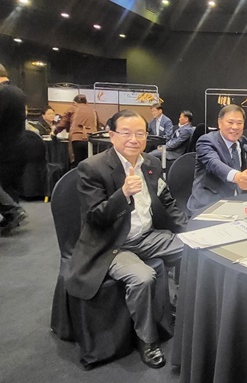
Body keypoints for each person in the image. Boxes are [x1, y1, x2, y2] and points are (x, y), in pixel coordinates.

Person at [65, 109, 187, 369]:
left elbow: (166, 200)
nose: (134, 139)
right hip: (113, 244)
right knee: (143, 277)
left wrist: (187, 230)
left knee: (195, 250)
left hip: (146, 236)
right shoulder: (92, 167)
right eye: (126, 133)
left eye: (140, 133)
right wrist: (123, 194)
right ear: (111, 136)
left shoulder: (151, 163)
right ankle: (147, 340)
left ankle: (180, 307)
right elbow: (95, 217)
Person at [187, 105, 247, 216]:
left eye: (239, 123)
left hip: (234, 204)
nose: (235, 127)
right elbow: (214, 164)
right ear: (219, 122)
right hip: (207, 206)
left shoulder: (239, 143)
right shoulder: (206, 141)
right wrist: (236, 176)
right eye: (230, 122)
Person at [0, 63, 28, 236]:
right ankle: (11, 220)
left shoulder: (2, 93)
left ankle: (13, 211)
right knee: (9, 184)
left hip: (4, 146)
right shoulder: (18, 92)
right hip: (20, 144)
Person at [54, 94, 100, 167]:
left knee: (77, 164)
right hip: (91, 139)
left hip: (76, 139)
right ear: (86, 103)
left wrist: (54, 132)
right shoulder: (93, 110)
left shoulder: (72, 108)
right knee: (89, 163)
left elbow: (62, 124)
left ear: (74, 103)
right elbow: (98, 126)